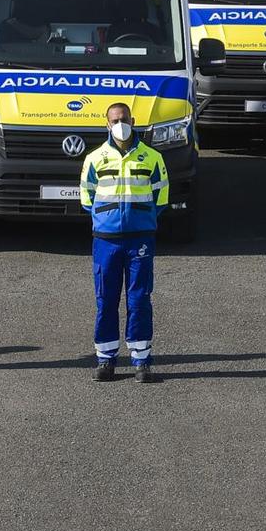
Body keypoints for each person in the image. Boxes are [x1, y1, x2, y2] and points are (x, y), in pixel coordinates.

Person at [79, 101, 168, 384]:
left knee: (139, 299)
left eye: (125, 118)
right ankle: (106, 360)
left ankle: (142, 361)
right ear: (106, 124)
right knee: (106, 299)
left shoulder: (152, 158)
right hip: (106, 241)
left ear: (133, 119)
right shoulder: (94, 159)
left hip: (140, 239)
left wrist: (140, 220)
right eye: (115, 120)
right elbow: (86, 199)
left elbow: (161, 198)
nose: (120, 123)